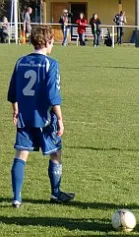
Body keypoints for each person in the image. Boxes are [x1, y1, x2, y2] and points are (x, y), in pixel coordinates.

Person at [7, 26, 75, 208]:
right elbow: (53, 95)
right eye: (52, 42)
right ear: (47, 42)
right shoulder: (50, 64)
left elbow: (13, 92)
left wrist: (15, 110)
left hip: (24, 117)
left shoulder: (20, 62)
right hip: (44, 118)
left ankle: (16, 197)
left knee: (21, 153)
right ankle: (55, 193)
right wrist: (60, 119)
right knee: (56, 153)